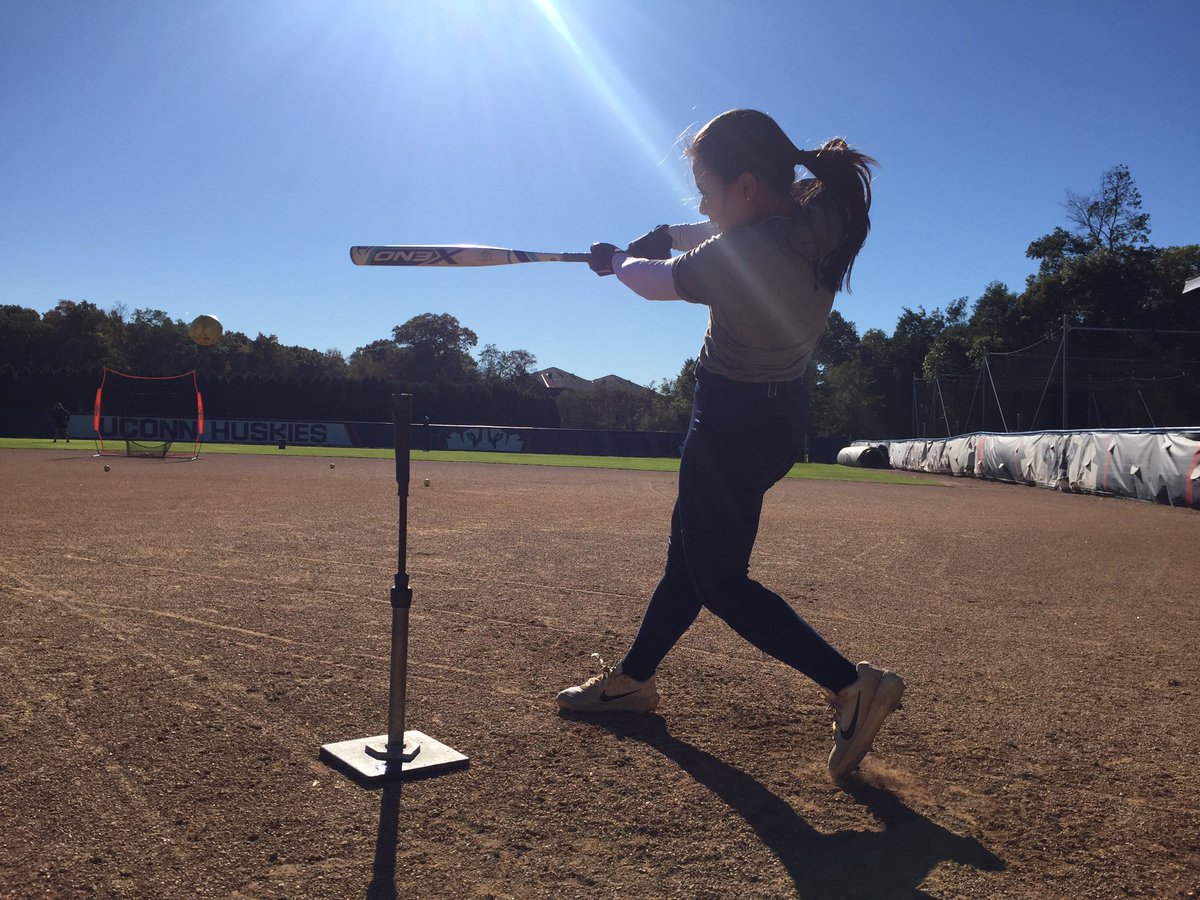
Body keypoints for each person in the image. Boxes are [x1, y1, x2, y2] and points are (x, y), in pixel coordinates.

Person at [556, 109, 904, 780]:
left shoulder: (743, 255)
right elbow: (721, 230)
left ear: (745, 186)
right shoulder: (819, 214)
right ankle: (633, 680)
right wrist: (667, 234)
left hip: (726, 422)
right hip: (779, 420)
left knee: (717, 578)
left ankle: (850, 684)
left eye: (707, 191)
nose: (702, 205)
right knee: (689, 556)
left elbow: (655, 282)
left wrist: (617, 259)